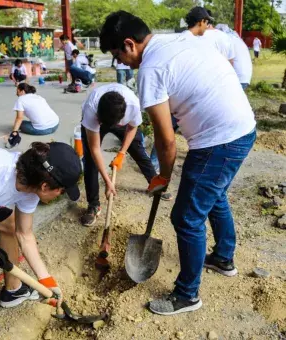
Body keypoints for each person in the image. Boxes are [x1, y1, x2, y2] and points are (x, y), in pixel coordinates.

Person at [100, 11, 256, 315]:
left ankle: (187, 295)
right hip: (243, 129)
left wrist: (163, 176)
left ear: (129, 44)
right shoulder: (181, 39)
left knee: (185, 218)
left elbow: (166, 140)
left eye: (118, 54)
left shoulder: (150, 69)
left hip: (218, 141)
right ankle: (223, 258)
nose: (121, 62)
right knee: (213, 195)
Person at [0, 141, 81, 340]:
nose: (61, 195)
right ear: (45, 186)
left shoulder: (30, 190)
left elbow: (24, 235)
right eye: (61, 190)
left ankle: (13, 291)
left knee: (10, 223)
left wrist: (46, 281)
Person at [80, 83, 172, 227]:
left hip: (119, 118)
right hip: (97, 118)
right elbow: (95, 148)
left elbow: (132, 128)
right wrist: (107, 180)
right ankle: (93, 205)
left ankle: (155, 184)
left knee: (137, 149)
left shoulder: (132, 105)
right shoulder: (91, 109)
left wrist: (122, 153)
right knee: (90, 161)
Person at [6, 83, 59, 147]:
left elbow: (19, 118)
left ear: (22, 91)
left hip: (43, 129)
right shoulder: (38, 96)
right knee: (25, 123)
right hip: (56, 124)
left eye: (17, 91)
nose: (16, 94)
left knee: (21, 124)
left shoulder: (20, 99)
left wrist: (14, 132)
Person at [216, 24, 252, 90]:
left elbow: (228, 63)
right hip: (245, 78)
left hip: (237, 79)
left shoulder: (226, 39)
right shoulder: (235, 37)